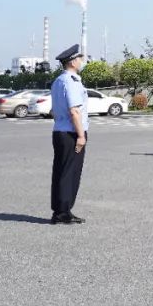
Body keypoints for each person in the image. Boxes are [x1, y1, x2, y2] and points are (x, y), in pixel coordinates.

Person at [49, 44, 89, 225]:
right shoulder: (71, 81)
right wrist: (81, 136)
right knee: (70, 173)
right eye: (80, 58)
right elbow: (74, 111)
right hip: (71, 133)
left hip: (59, 131)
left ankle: (60, 209)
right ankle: (63, 212)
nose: (82, 61)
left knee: (60, 171)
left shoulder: (58, 81)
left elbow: (53, 110)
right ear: (73, 62)